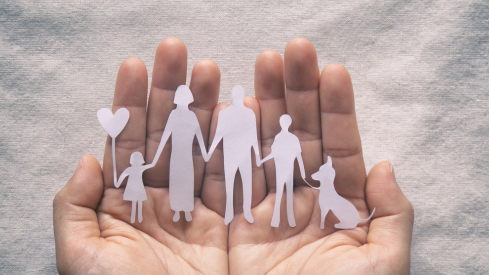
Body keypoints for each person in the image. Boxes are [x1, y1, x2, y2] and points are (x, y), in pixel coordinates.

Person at [53, 37, 414, 274]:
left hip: (246, 158)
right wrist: (212, 151)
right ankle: (215, 209)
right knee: (188, 182)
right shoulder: (215, 116)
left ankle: (225, 209)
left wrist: (258, 157)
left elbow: (227, 143)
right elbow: (201, 140)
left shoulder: (234, 116)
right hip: (211, 156)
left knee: (254, 191)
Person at [205, 85, 261, 225]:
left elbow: (253, 136)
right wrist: (209, 153)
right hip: (230, 153)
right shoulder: (225, 114)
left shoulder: (249, 114)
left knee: (245, 183)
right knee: (230, 183)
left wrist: (258, 156)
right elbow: (218, 135)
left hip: (244, 154)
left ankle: (246, 211)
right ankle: (229, 212)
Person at [152, 84, 208, 222]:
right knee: (177, 182)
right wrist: (155, 158)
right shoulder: (174, 115)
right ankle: (177, 210)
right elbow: (165, 136)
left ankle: (187, 209)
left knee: (187, 182)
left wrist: (206, 153)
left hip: (186, 157)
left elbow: (199, 135)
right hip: (176, 156)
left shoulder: (191, 116)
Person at [259, 114, 307, 228]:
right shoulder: (279, 138)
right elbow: (273, 153)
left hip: (288, 171)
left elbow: (298, 156)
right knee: (280, 194)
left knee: (287, 194)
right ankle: (276, 219)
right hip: (280, 171)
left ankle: (290, 220)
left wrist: (302, 171)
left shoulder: (292, 138)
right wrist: (262, 161)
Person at [115, 151, 154, 223]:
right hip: (134, 188)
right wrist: (118, 183)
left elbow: (152, 165)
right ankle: (136, 218)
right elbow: (152, 165)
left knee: (137, 202)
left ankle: (137, 218)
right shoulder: (133, 169)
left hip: (136, 187)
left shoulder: (133, 169)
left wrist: (118, 183)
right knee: (136, 202)